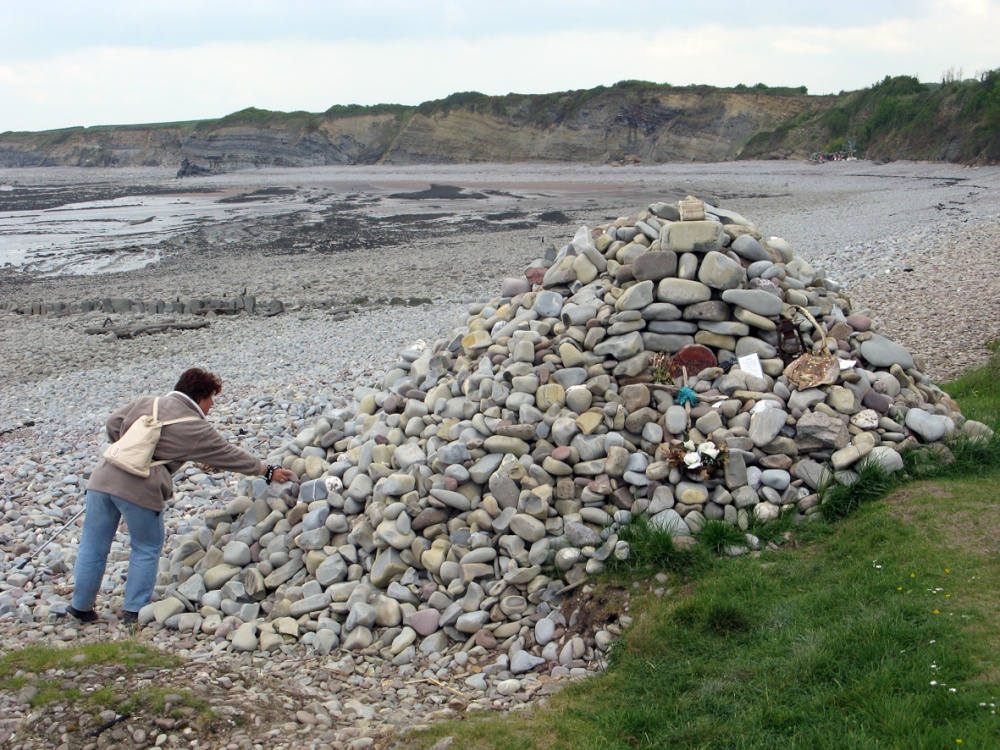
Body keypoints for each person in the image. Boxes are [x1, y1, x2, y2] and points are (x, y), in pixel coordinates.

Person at [68, 368, 295, 624]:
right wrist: (267, 471)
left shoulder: (147, 402)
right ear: (200, 397)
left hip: (103, 477)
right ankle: (134, 611)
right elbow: (229, 455)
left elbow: (112, 423)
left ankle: (81, 608)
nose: (212, 406)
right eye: (211, 399)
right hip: (140, 486)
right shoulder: (195, 428)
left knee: (93, 545)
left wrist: (134, 448)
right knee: (146, 546)